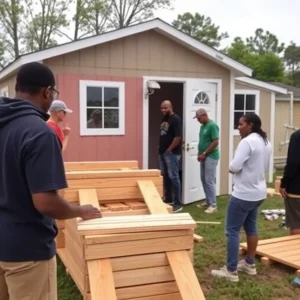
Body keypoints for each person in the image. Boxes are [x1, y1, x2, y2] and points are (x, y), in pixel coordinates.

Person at [0, 62, 101, 300]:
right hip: (27, 252)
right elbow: (45, 202)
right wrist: (80, 210)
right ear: (47, 92)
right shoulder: (39, 132)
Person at [211, 113, 272, 282]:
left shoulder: (247, 142)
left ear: (250, 125)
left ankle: (231, 271)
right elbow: (266, 167)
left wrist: (232, 167)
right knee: (251, 228)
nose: (238, 127)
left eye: (241, 124)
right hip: (258, 193)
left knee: (232, 230)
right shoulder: (265, 141)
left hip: (243, 193)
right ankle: (249, 264)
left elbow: (234, 167)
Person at [158, 100, 183, 213]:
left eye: (166, 108)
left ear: (171, 107)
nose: (163, 110)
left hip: (172, 153)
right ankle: (168, 199)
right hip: (162, 152)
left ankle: (178, 204)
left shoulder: (176, 119)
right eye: (162, 108)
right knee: (165, 176)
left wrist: (169, 149)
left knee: (174, 177)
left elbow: (178, 137)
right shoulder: (164, 119)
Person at [194, 108, 219, 213]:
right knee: (203, 179)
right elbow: (202, 141)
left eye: (199, 118)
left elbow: (215, 142)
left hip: (211, 156)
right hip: (204, 156)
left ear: (205, 115)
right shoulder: (202, 126)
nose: (198, 120)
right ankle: (208, 201)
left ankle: (213, 205)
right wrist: (199, 153)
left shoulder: (212, 125)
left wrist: (204, 153)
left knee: (209, 180)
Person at [279, 129, 300, 235]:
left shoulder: (297, 136)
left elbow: (293, 163)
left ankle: (295, 251)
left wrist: (284, 183)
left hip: (296, 189)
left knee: (296, 224)